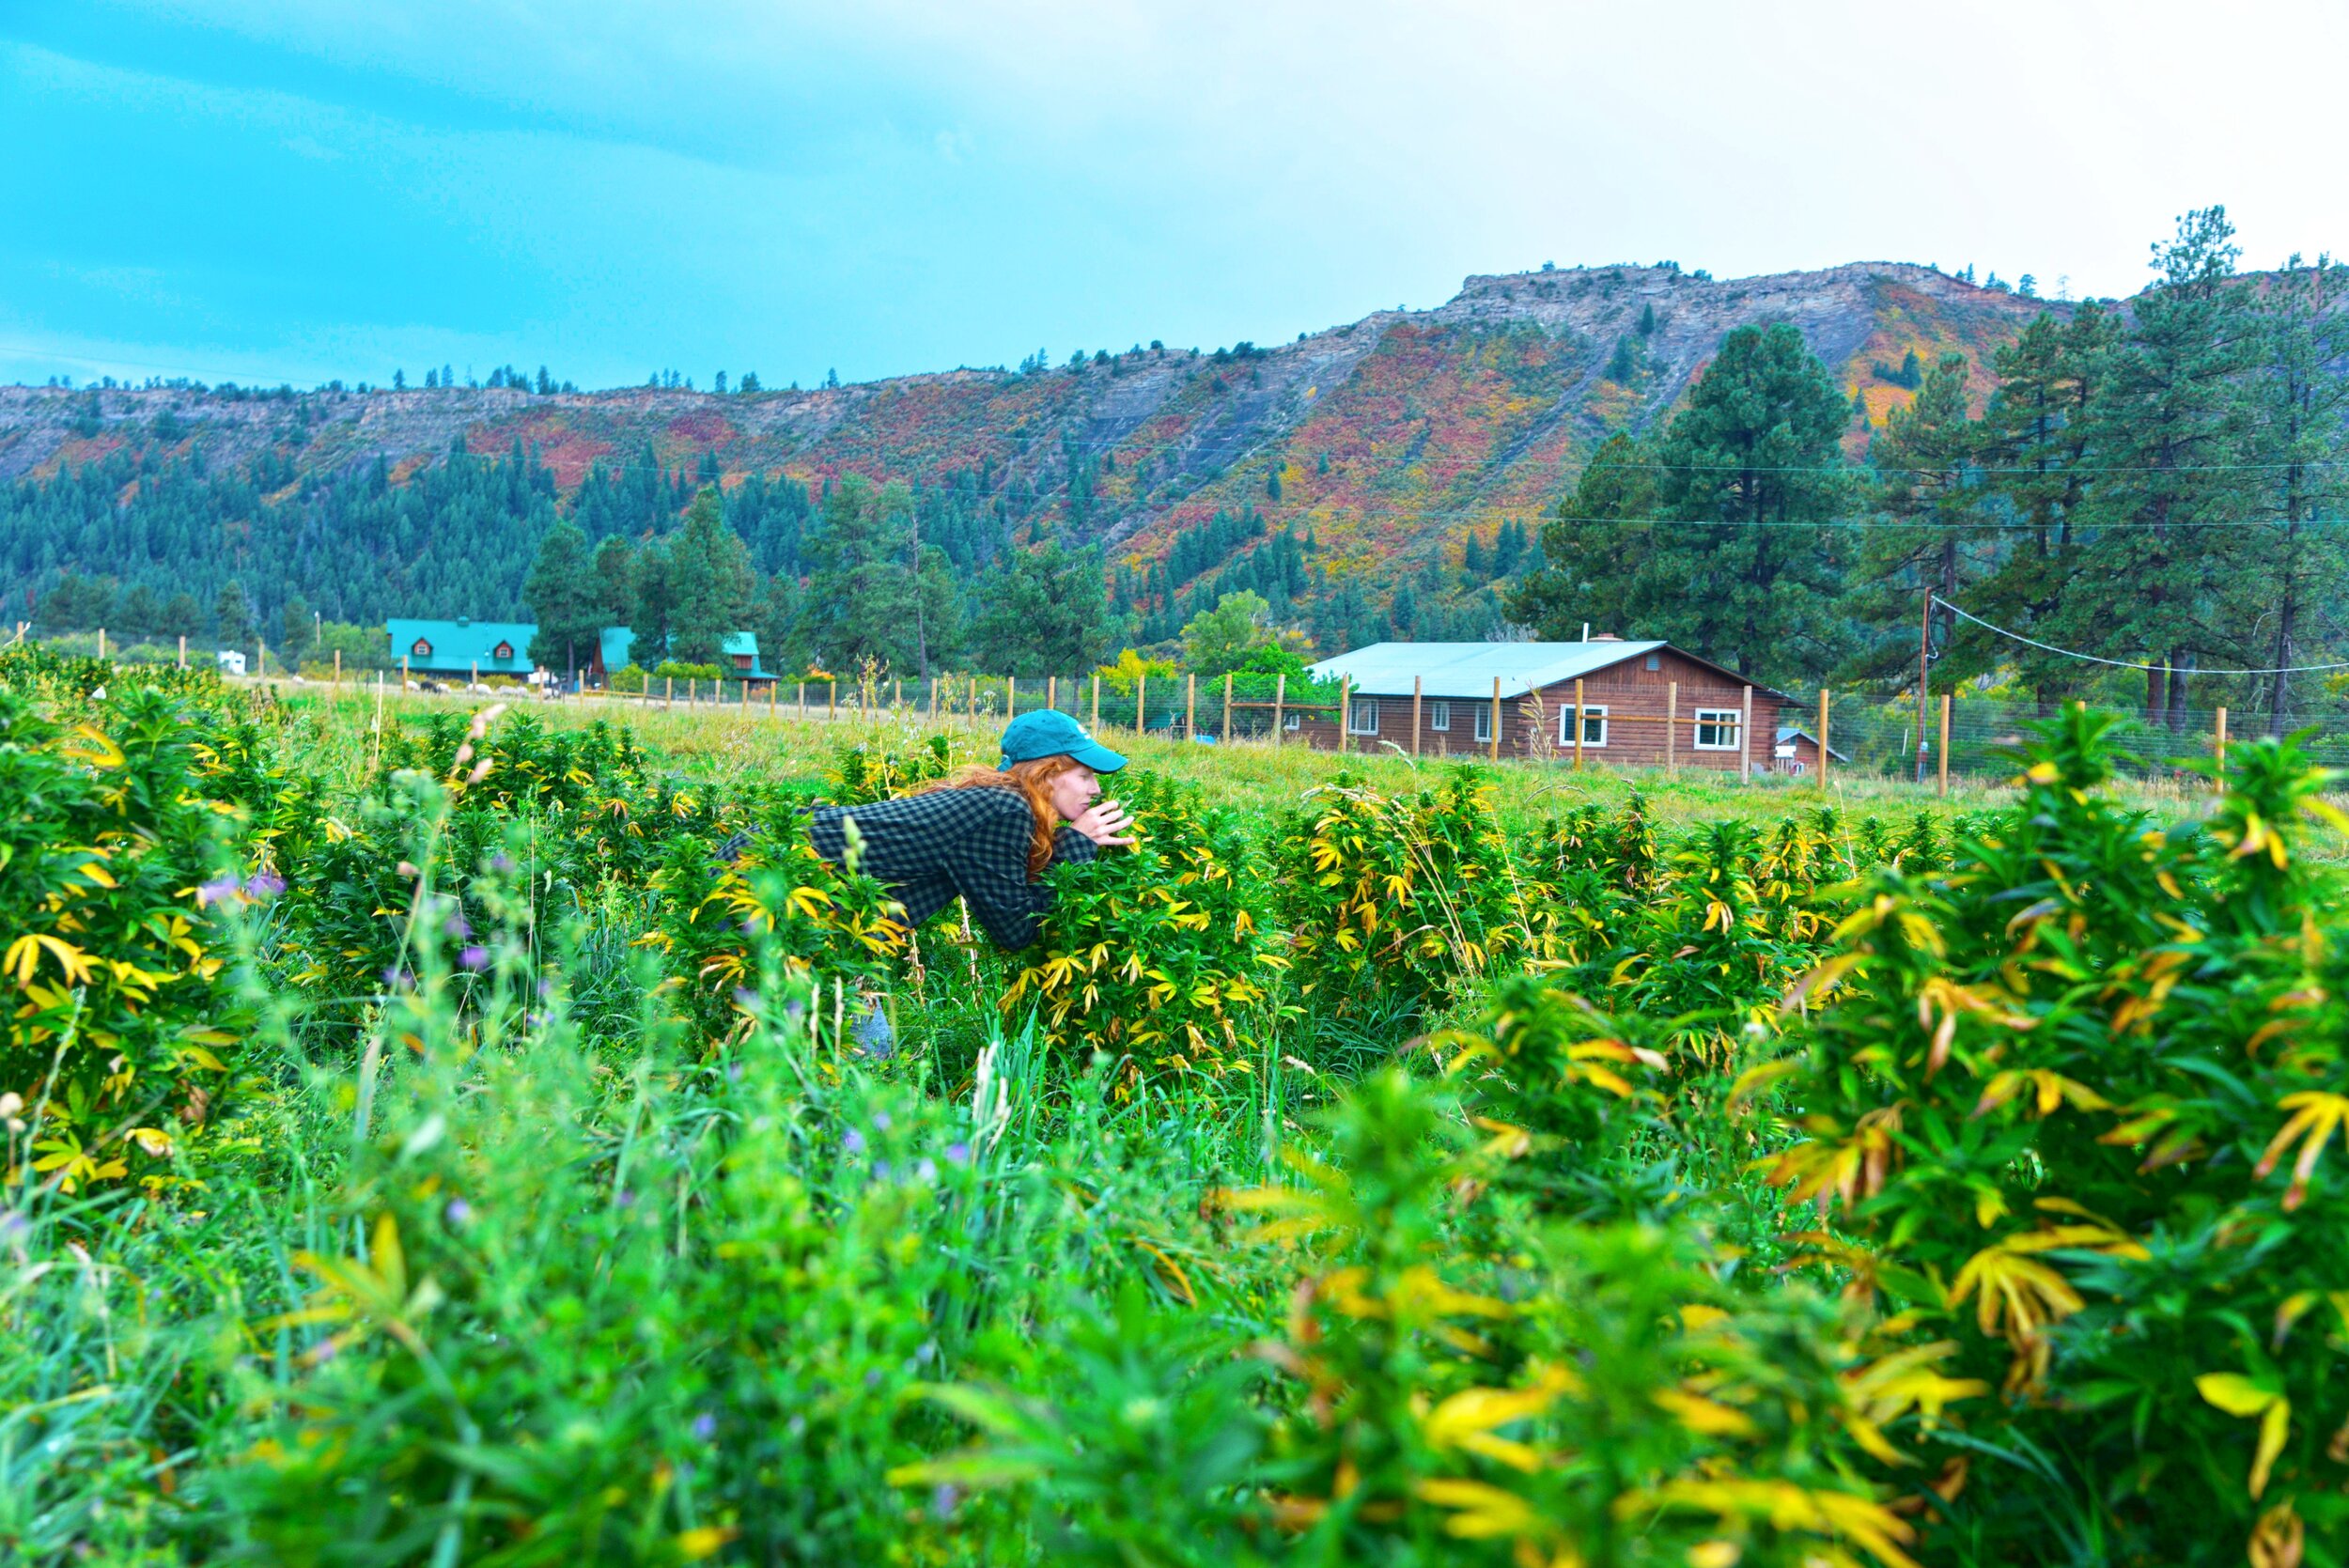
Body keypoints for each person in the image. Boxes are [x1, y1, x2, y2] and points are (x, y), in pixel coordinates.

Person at [809, 709, 1134, 950]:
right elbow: (1016, 931)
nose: (1096, 790)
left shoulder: (998, 802)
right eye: (1084, 776)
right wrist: (1078, 843)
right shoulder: (1004, 811)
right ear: (1046, 774)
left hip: (808, 903)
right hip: (782, 873)